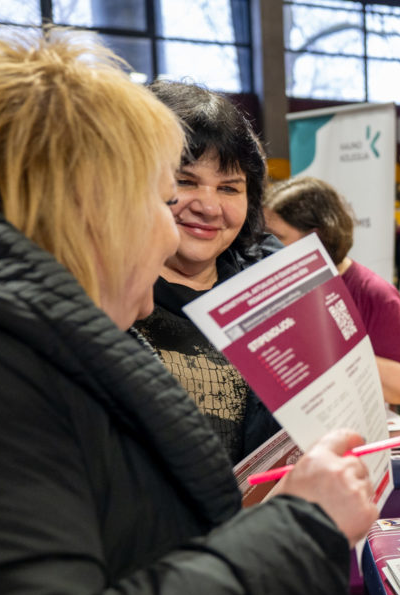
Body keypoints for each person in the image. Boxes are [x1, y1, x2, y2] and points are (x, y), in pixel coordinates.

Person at [0, 30, 378, 595]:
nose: (176, 228)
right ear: (90, 206)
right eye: (163, 196)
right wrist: (308, 529)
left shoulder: (23, 344)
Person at [132, 80, 282, 465]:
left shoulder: (273, 291)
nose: (209, 207)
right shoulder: (111, 298)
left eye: (230, 188)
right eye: (186, 181)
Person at [263, 176, 400, 406]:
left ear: (314, 237)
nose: (265, 247)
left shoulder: (374, 293)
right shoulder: (269, 285)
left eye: (277, 237)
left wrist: (325, 348)